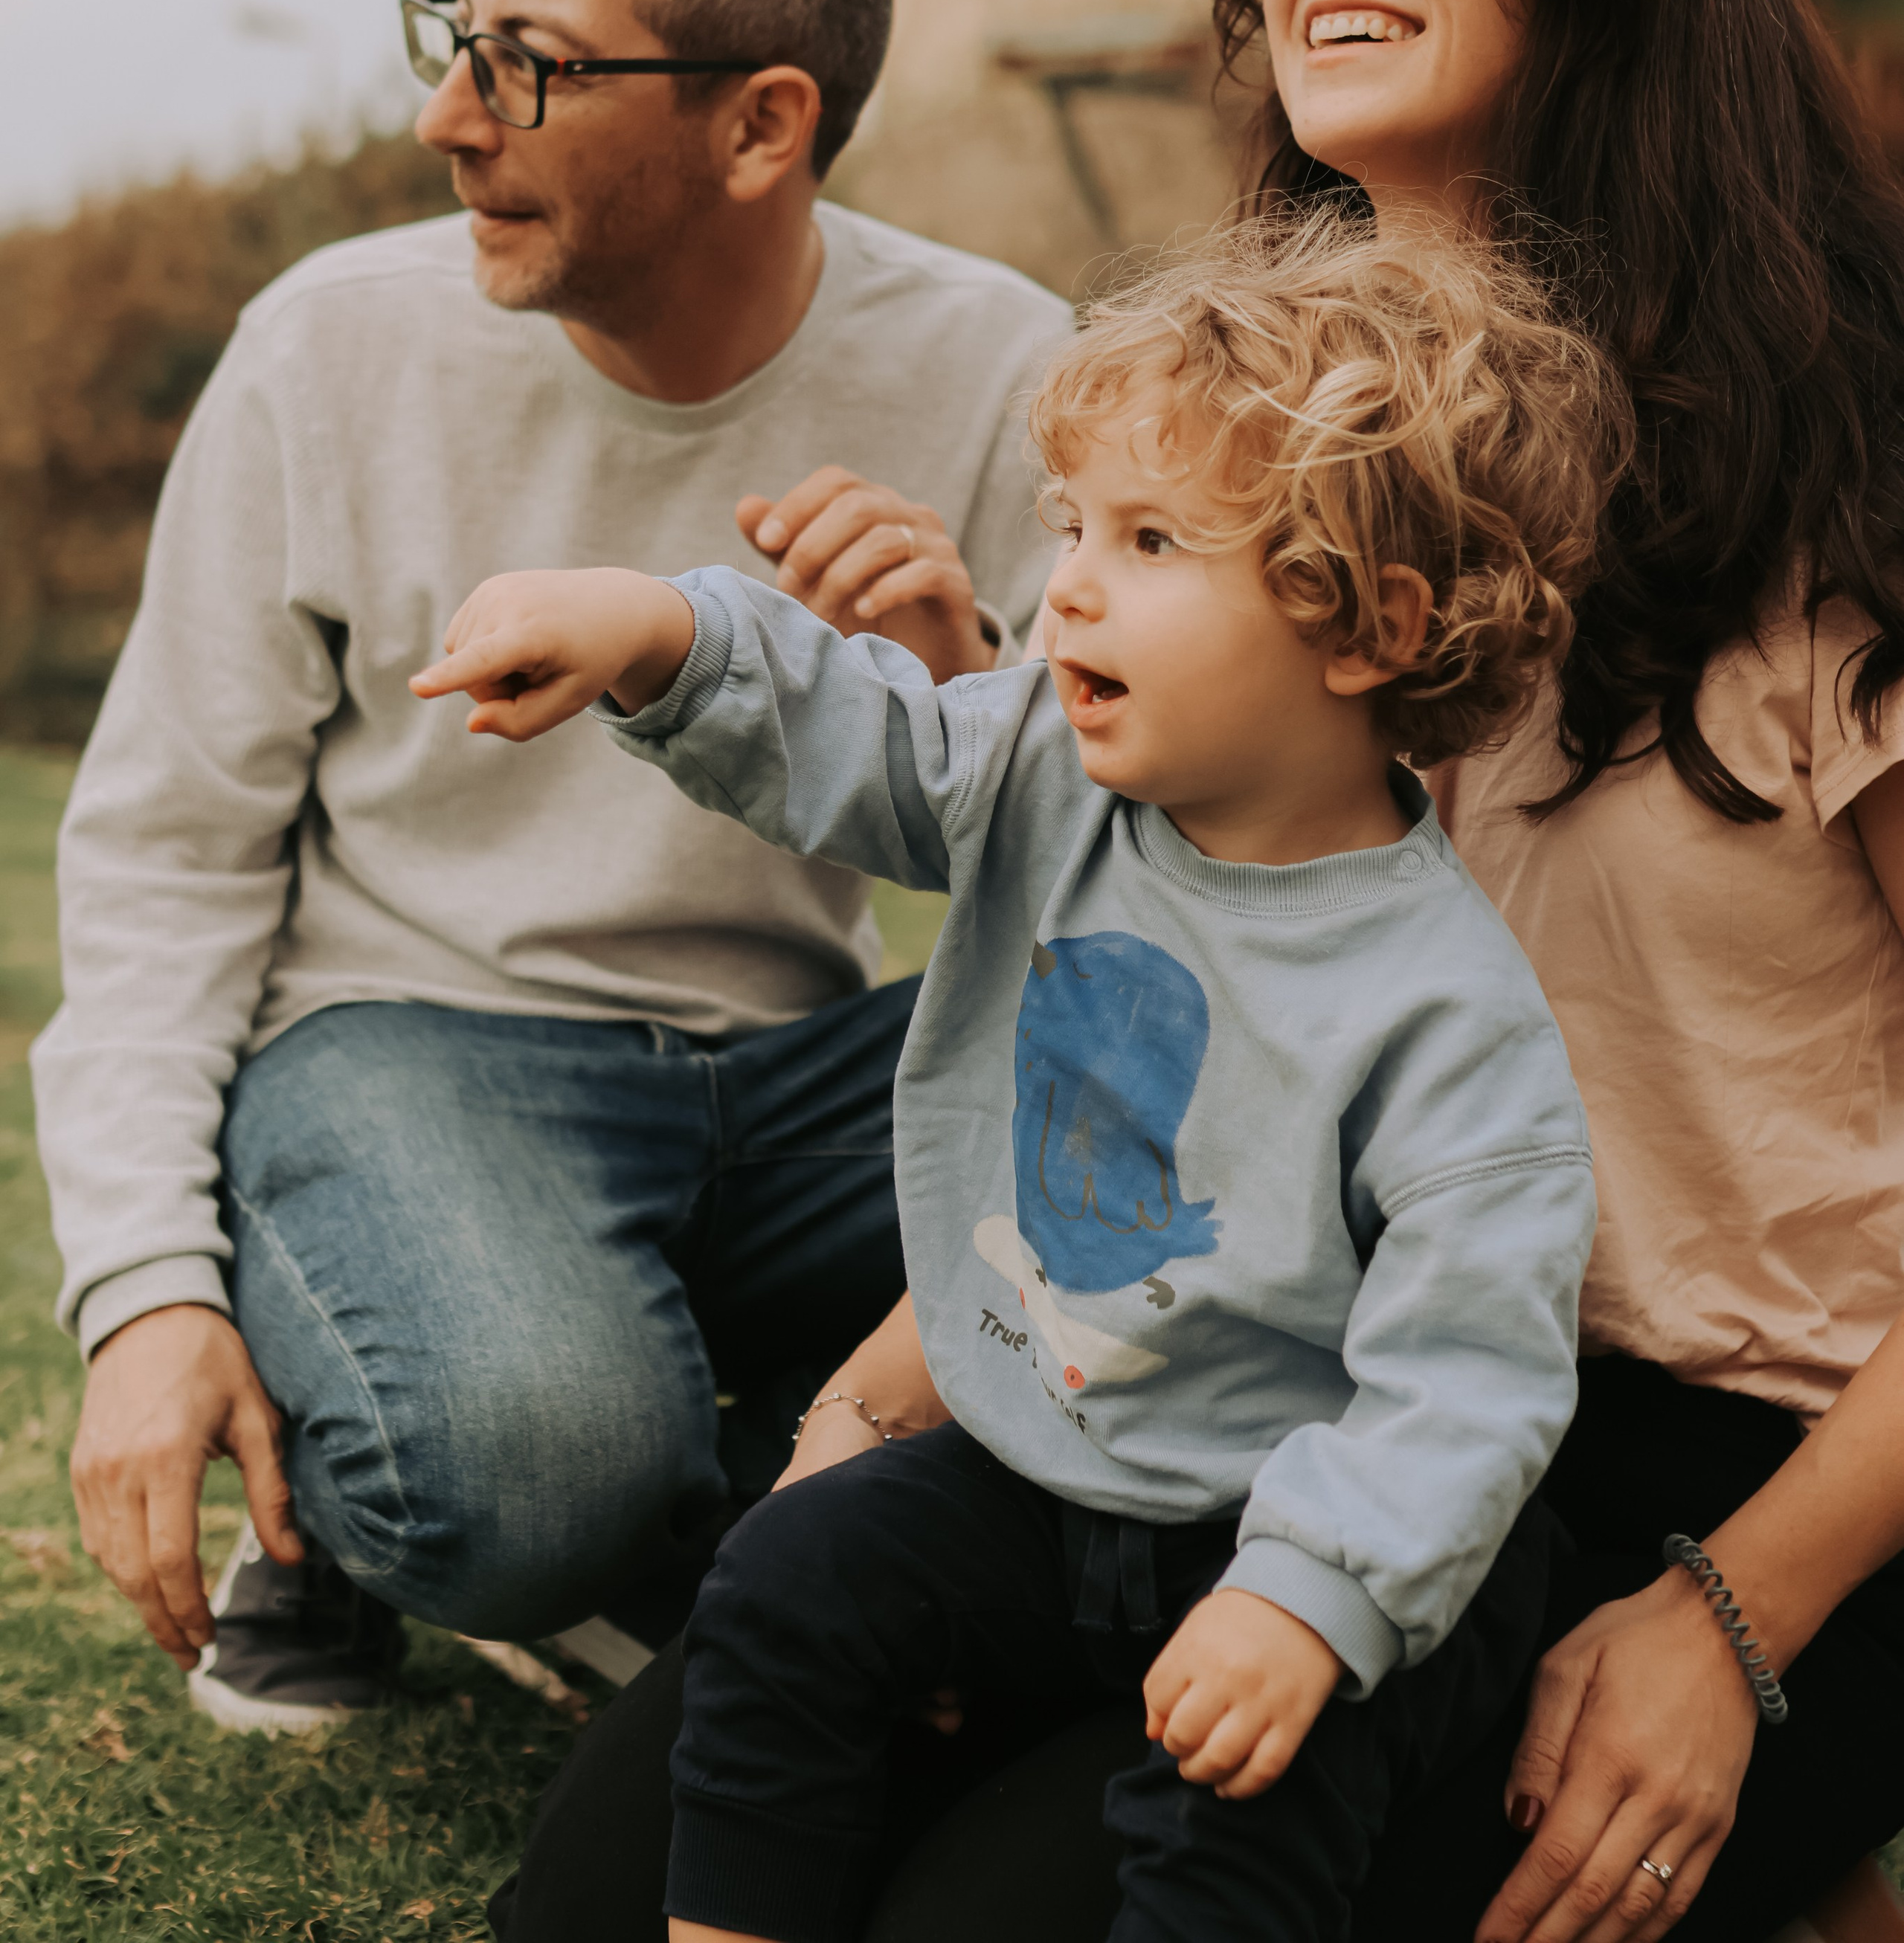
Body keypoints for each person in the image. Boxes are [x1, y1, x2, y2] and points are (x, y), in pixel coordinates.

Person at [498, 0, 1904, 1943]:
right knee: (606, 1896)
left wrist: (1730, 1626)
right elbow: (1173, 976)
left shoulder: (1855, 487)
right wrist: (904, 1382)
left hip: (1742, 1453)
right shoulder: (1257, 448)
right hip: (1261, 1371)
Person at [423, 210, 1627, 1943]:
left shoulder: (1451, 1023)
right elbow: (862, 726)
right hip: (1039, 1469)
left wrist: (1304, 1599)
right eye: (1072, 523)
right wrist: (652, 631)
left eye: (1149, 540)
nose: (1065, 580)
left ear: (1367, 627)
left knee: (1236, 1812)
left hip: (1282, 1524)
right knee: (784, 1583)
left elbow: (1466, 1379)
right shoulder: (1041, 771)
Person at [33, 0, 1071, 1732]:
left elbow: (1145, 848)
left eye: (531, 68)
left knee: (1211, 1091)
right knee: (528, 1465)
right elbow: (171, 857)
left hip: (804, 1075)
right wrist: (152, 1297)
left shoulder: (1004, 366)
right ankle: (389, 1458)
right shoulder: (327, 347)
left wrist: (962, 665)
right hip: (417, 1048)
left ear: (762, 123)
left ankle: (706, 1467)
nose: (448, 117)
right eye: (461, 38)